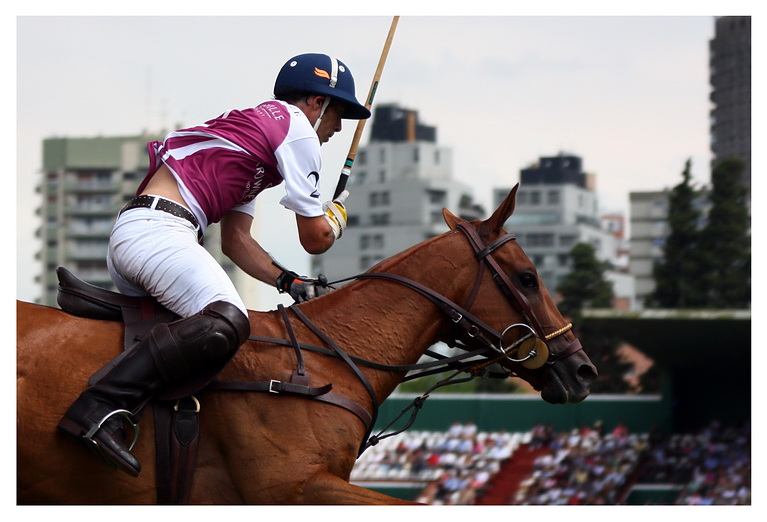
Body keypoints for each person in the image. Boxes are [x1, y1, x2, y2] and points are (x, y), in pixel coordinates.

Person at [57, 53, 371, 477]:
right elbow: (315, 238)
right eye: (338, 115)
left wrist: (288, 280)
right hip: (159, 233)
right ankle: (97, 409)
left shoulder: (257, 141)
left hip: (144, 233)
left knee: (194, 342)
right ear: (317, 103)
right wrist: (334, 220)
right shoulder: (297, 129)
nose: (338, 129)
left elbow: (236, 242)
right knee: (227, 319)